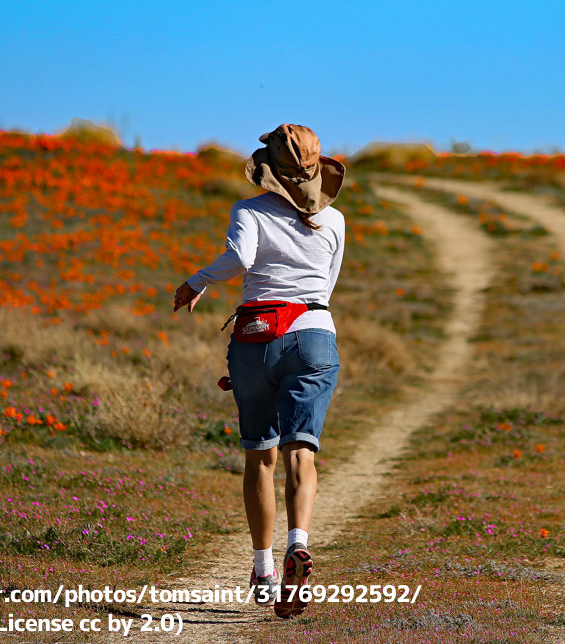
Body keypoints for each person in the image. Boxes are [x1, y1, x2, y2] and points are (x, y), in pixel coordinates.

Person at [173, 124, 345, 619]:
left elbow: (239, 260)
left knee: (260, 457)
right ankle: (299, 543)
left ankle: (263, 566)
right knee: (301, 452)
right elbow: (326, 288)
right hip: (315, 334)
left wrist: (196, 282)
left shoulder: (248, 210)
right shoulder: (334, 221)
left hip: (256, 339)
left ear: (266, 170)